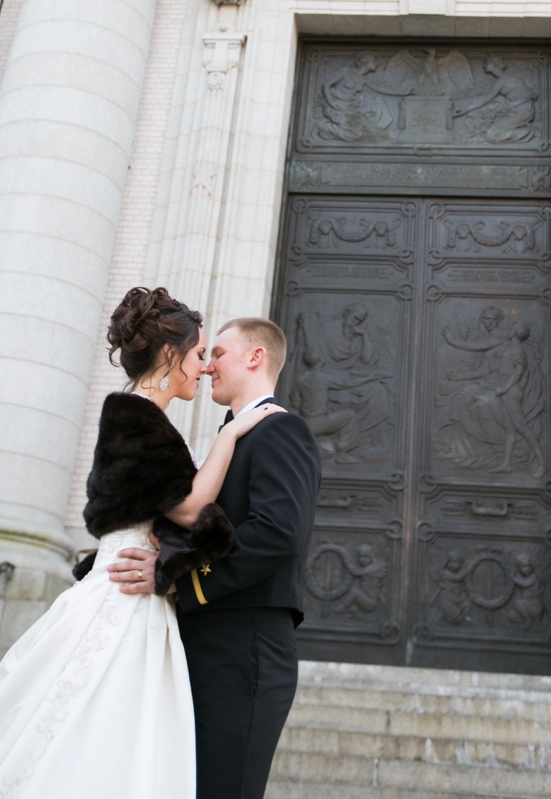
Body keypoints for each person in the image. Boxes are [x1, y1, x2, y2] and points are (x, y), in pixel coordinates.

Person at [0, 286, 283, 799]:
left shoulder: (142, 415)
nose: (204, 366)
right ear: (170, 354)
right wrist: (230, 436)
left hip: (136, 585)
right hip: (123, 593)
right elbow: (187, 508)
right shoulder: (137, 413)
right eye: (199, 352)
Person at [114, 316, 322, 799]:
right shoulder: (235, 435)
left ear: (256, 357)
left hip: (244, 647)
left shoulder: (281, 431)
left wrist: (176, 579)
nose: (207, 367)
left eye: (219, 354)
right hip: (206, 640)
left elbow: (277, 534)